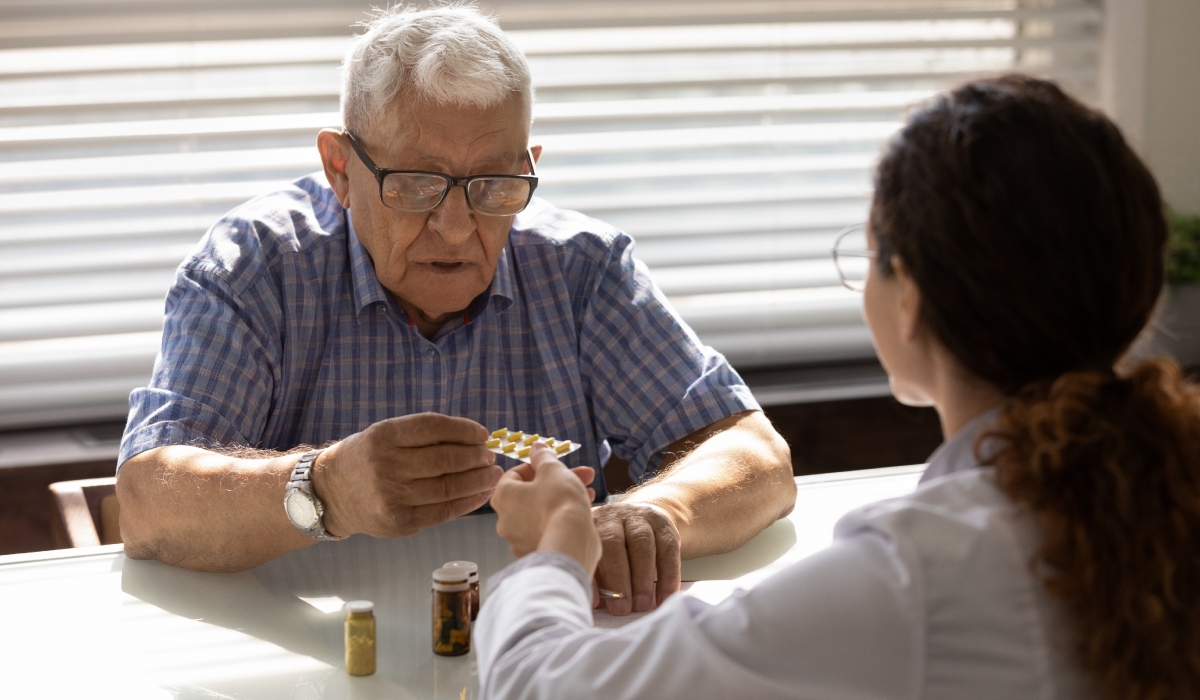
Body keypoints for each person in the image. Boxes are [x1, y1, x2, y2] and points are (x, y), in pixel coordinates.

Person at [478, 75, 1200, 699]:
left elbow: (542, 686)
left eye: (874, 255)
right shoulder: (1159, 484)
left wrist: (553, 554)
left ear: (910, 298)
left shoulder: (911, 579)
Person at [113, 2, 796, 613]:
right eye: (416, 184)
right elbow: (148, 504)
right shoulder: (257, 267)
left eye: (494, 184)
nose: (457, 228)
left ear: (529, 164)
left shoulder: (579, 267)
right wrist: (326, 489)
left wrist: (653, 513)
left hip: (537, 651)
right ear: (340, 169)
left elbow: (754, 456)